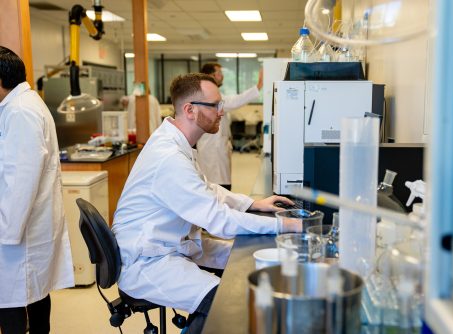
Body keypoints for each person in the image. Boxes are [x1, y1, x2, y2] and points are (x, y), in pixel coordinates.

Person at [111, 73, 296, 333]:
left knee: (243, 262)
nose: (222, 111)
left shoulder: (176, 142)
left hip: (169, 245)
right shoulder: (169, 157)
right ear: (189, 110)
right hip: (148, 261)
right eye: (215, 105)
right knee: (224, 303)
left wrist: (254, 204)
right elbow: (218, 220)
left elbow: (207, 190)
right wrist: (288, 225)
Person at [0, 46, 74, 334]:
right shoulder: (21, 105)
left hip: (18, 233)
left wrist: (6, 232)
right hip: (26, 229)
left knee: (15, 300)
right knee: (34, 296)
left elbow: (21, 181)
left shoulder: (21, 111)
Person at [196, 63, 263, 190]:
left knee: (218, 184)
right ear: (210, 75)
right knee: (218, 186)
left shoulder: (212, 93)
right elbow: (233, 102)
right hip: (213, 148)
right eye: (219, 73)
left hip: (216, 145)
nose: (222, 77)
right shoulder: (208, 94)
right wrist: (258, 87)